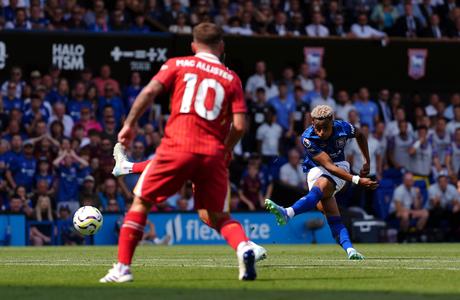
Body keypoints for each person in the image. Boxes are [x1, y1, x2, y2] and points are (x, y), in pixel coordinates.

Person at [100, 23, 265, 283]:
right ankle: (245, 247)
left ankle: (122, 268)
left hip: (178, 145)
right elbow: (241, 126)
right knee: (221, 217)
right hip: (212, 153)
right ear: (221, 46)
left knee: (141, 202)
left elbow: (150, 91)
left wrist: (130, 124)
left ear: (193, 46)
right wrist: (226, 149)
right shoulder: (231, 78)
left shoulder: (177, 64)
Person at [265, 105, 378, 260]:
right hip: (316, 169)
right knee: (331, 214)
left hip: (340, 166)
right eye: (318, 128)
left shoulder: (343, 127)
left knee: (322, 185)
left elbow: (361, 135)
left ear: (332, 121)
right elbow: (328, 166)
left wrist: (367, 161)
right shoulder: (307, 137)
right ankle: (350, 249)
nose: (321, 133)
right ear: (312, 123)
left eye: (325, 128)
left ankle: (288, 213)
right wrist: (357, 179)